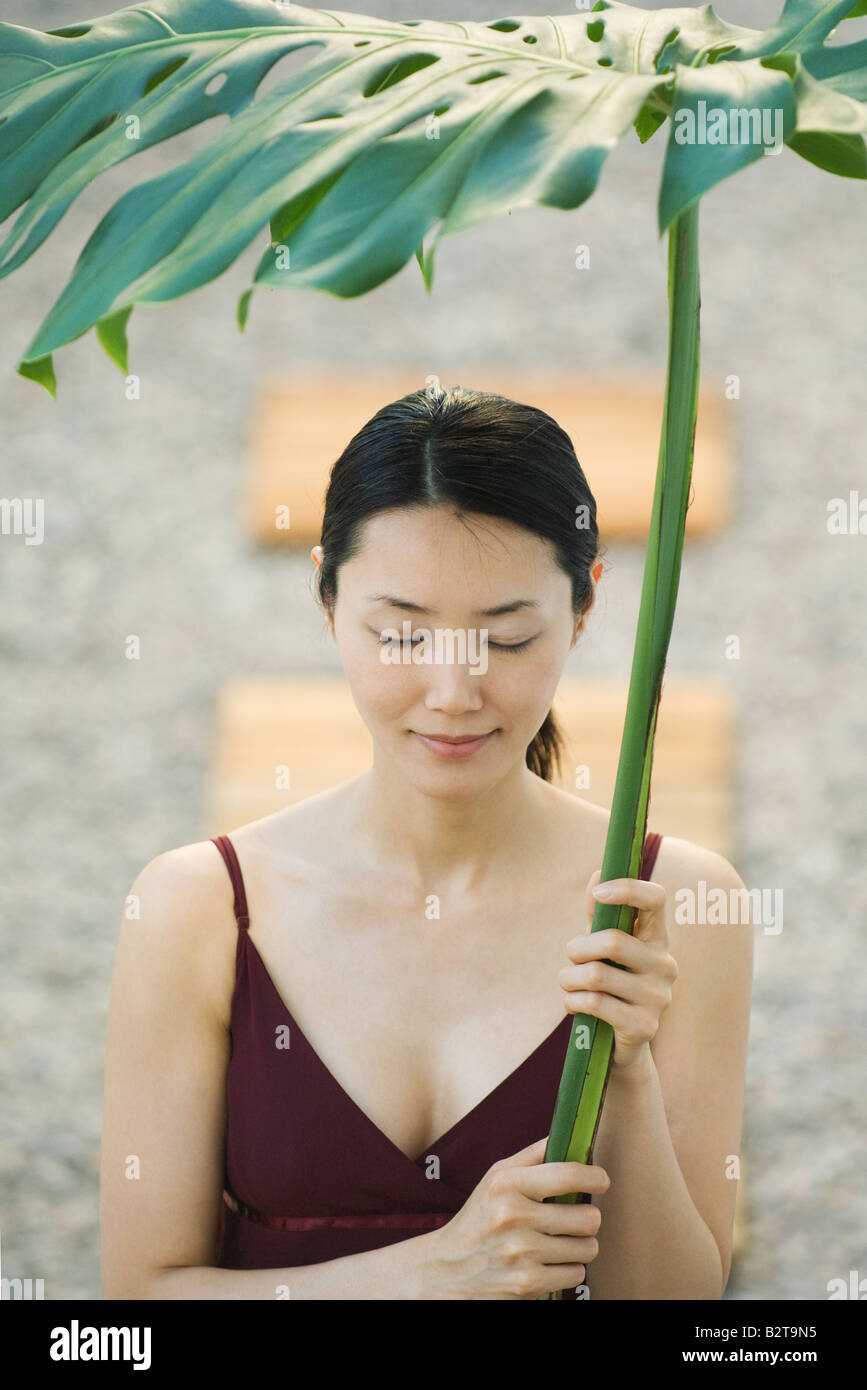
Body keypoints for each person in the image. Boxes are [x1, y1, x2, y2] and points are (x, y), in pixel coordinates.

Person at [100, 384, 753, 1300]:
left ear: (584, 605)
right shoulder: (199, 907)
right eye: (401, 632)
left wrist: (628, 1074)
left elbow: (683, 1314)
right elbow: (136, 1308)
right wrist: (428, 1275)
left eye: (508, 635)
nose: (453, 691)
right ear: (326, 595)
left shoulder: (671, 904)